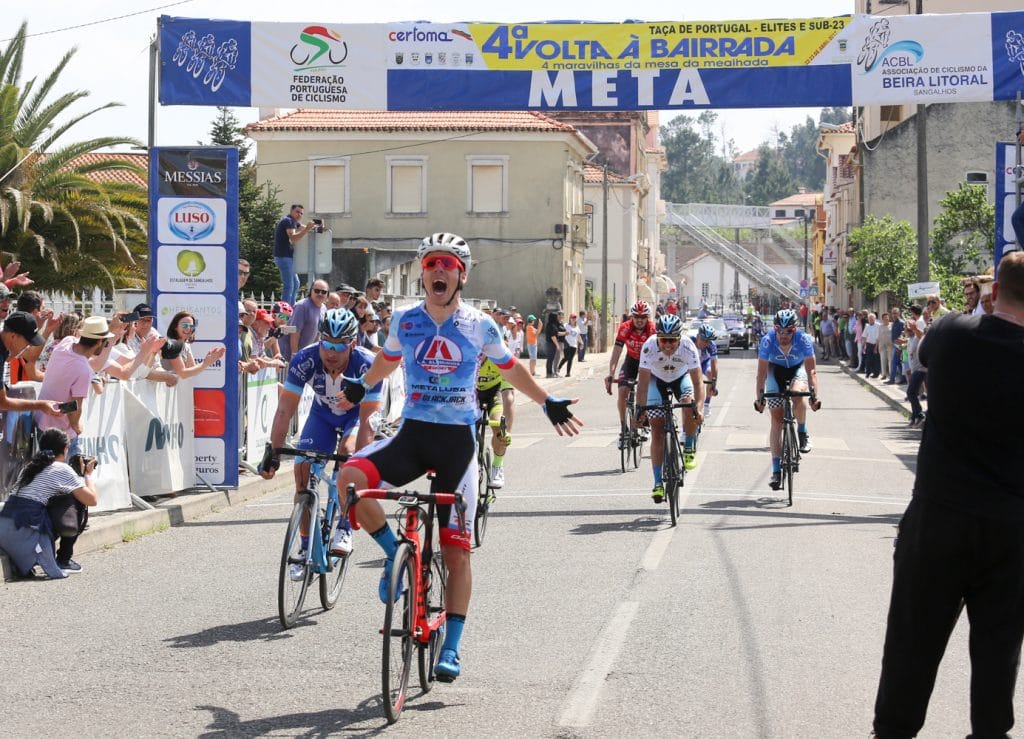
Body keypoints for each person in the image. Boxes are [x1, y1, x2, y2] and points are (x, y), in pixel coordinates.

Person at [328, 232, 582, 683]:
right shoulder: (404, 320)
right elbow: (388, 361)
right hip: (412, 435)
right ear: (423, 275)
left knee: (456, 552)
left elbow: (510, 369)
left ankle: (453, 647)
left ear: (461, 274)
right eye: (431, 265)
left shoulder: (480, 325)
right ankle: (394, 555)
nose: (439, 271)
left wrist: (545, 402)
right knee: (347, 478)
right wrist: (362, 384)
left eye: (448, 264)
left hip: (457, 446)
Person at [872, 251, 1024, 738]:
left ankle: (894, 730)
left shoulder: (951, 333)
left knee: (912, 640)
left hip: (941, 514)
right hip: (1013, 525)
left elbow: (922, 353)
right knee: (1000, 647)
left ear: (992, 292)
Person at [260, 308, 382, 573]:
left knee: (349, 455)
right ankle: (305, 548)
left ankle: (345, 527)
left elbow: (369, 421)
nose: (331, 352)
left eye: (339, 346)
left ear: (352, 343)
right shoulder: (305, 359)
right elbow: (284, 409)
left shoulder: (366, 364)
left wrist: (361, 463)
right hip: (323, 416)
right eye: (326, 344)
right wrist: (273, 451)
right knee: (302, 471)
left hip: (355, 417)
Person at [0, 428, 97, 578]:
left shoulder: (29, 467)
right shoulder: (61, 468)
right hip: (24, 531)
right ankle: (64, 559)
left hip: (4, 529)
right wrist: (88, 476)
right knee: (76, 501)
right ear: (65, 449)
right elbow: (91, 500)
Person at [636, 315, 705, 502]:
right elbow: (642, 385)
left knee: (689, 404)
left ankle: (689, 446)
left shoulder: (688, 347)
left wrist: (699, 409)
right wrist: (640, 409)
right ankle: (658, 483)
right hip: (655, 381)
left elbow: (698, 383)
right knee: (657, 430)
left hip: (681, 378)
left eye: (672, 340)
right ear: (657, 337)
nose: (667, 345)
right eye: (663, 340)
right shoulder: (649, 347)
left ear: (679, 338)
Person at [753, 309, 822, 491]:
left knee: (797, 392)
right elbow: (761, 374)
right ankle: (776, 471)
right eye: (779, 330)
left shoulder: (804, 339)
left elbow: (812, 372)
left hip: (796, 369)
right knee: (776, 418)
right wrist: (759, 398)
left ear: (795, 330)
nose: (783, 335)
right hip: (774, 372)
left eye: (788, 331)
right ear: (775, 328)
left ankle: (802, 431)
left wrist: (815, 395)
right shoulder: (768, 341)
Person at [35, 316, 118, 459]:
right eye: (105, 343)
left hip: (42, 422)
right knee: (72, 475)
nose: (105, 346)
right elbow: (75, 407)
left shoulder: (66, 342)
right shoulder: (83, 370)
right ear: (99, 342)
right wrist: (77, 427)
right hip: (61, 433)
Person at [605, 301, 656, 449]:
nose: (640, 320)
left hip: (648, 364)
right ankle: (624, 430)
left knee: (646, 392)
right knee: (622, 393)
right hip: (631, 361)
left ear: (648, 317)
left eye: (643, 317)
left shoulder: (652, 330)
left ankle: (644, 422)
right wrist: (611, 374)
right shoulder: (625, 327)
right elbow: (616, 352)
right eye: (636, 316)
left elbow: (658, 353)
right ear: (632, 316)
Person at [0, 312, 61, 417]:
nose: (28, 347)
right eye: (28, 342)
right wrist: (41, 405)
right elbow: (2, 402)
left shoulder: (5, 344)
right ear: (13, 336)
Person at [273, 204, 316, 306]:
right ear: (291, 211)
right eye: (297, 212)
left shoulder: (293, 222)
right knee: (289, 285)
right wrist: (306, 229)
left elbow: (305, 228)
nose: (299, 215)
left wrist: (316, 228)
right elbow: (293, 237)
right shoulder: (288, 221)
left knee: (296, 284)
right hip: (283, 257)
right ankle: (284, 314)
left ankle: (291, 308)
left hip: (286, 257)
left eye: (301, 213)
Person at [163, 312, 227, 378]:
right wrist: (205, 363)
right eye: (184, 325)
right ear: (175, 327)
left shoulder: (186, 345)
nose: (188, 328)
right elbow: (183, 373)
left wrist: (209, 361)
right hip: (168, 388)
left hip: (183, 388)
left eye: (191, 326)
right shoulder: (170, 345)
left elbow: (192, 370)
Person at [283, 278, 329, 363]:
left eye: (323, 292)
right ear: (311, 291)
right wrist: (294, 355)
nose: (320, 294)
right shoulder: (302, 306)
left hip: (306, 356)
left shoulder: (323, 309)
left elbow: (318, 334)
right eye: (317, 291)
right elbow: (294, 331)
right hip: (288, 356)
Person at [693, 322, 719, 423]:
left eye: (707, 341)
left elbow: (714, 364)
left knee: (710, 373)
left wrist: (713, 382)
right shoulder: (690, 341)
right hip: (691, 364)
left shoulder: (711, 346)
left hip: (704, 362)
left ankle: (707, 404)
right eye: (703, 340)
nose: (705, 343)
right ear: (697, 336)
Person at [544, 309, 565, 378]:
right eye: (556, 316)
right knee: (550, 359)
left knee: (551, 359)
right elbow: (553, 336)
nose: (557, 317)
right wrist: (557, 345)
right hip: (551, 344)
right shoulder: (551, 325)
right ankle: (549, 373)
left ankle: (551, 373)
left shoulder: (552, 324)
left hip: (551, 343)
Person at [557, 312, 579, 377]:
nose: (573, 319)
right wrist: (564, 333)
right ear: (570, 318)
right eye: (572, 317)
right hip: (567, 344)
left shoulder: (577, 327)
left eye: (575, 318)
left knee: (570, 359)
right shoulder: (566, 325)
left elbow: (578, 336)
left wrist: (581, 342)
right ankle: (559, 367)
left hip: (574, 345)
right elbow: (560, 331)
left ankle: (568, 373)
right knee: (566, 358)